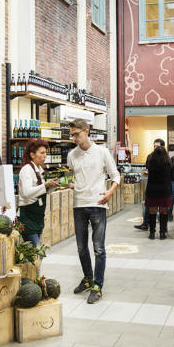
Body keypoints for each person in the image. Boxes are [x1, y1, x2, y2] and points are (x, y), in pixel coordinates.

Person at [67, 118, 120, 304]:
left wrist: (110, 192)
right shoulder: (71, 155)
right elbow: (72, 177)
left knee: (98, 248)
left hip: (98, 204)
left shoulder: (102, 152)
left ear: (86, 131)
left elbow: (116, 176)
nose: (74, 138)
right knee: (82, 248)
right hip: (79, 204)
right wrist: (71, 184)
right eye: (72, 134)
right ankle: (88, 279)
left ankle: (98, 286)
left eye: (77, 134)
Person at [17, 139, 59, 246]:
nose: (45, 156)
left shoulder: (39, 170)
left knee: (35, 253)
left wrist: (53, 186)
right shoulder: (27, 170)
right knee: (36, 252)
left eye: (45, 153)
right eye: (42, 153)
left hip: (37, 217)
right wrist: (45, 185)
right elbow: (26, 193)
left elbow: (42, 191)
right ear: (32, 155)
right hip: (27, 217)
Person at [134, 138, 165, 231]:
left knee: (162, 207)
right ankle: (145, 224)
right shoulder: (150, 156)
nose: (155, 148)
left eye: (157, 146)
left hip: (163, 185)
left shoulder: (166, 158)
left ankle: (163, 228)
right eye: (154, 146)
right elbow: (147, 169)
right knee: (148, 205)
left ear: (162, 147)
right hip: (152, 184)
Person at [145, 145, 173, 239]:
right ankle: (162, 233)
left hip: (152, 189)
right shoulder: (168, 164)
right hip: (165, 190)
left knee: (152, 211)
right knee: (163, 211)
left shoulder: (150, 163)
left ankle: (152, 233)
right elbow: (171, 176)